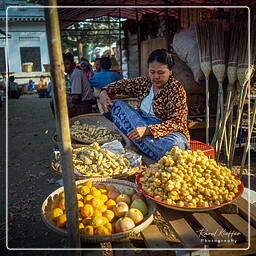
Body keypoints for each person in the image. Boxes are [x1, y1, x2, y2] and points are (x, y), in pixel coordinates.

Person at [99, 49, 190, 160]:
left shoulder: (176, 89)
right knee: (115, 105)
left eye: (160, 72)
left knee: (176, 146)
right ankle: (136, 143)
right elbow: (121, 85)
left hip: (164, 132)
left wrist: (148, 131)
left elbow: (178, 122)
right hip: (139, 122)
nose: (156, 76)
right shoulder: (144, 82)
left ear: (170, 71)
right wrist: (104, 91)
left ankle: (135, 143)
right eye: (152, 72)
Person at [51, 52, 94, 118]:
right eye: (63, 64)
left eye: (67, 64)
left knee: (56, 104)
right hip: (81, 103)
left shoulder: (76, 73)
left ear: (73, 64)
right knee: (55, 101)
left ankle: (64, 125)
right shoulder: (71, 74)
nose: (65, 67)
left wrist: (67, 100)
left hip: (83, 106)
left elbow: (76, 97)